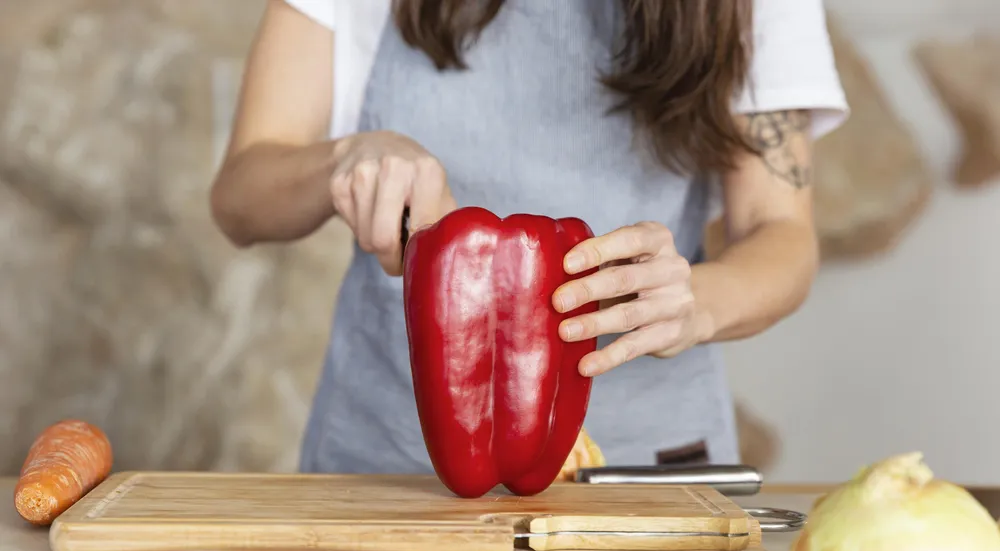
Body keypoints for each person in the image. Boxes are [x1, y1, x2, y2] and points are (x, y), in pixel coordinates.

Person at [210, 0, 848, 475]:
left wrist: (697, 302)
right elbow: (240, 200)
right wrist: (346, 159)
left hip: (646, 469)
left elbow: (781, 232)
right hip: (387, 463)